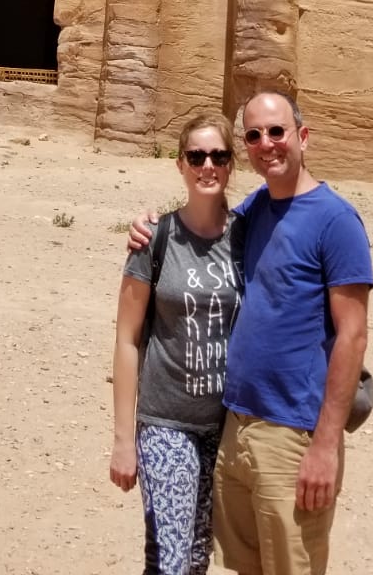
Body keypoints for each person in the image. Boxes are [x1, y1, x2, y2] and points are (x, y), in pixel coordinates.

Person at [129, 91, 373, 575]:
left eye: (277, 131)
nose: (267, 143)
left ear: (303, 136)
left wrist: (325, 447)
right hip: (235, 427)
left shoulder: (336, 220)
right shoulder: (257, 209)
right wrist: (149, 226)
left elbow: (353, 336)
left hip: (292, 432)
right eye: (254, 135)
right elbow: (205, 221)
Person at [111, 111, 243, 575]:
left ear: (231, 164)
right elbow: (127, 338)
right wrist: (123, 440)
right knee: (171, 559)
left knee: (196, 557)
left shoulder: (248, 237)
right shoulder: (155, 238)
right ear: (181, 164)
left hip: (226, 426)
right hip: (166, 423)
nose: (208, 166)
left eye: (219, 156)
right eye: (197, 156)